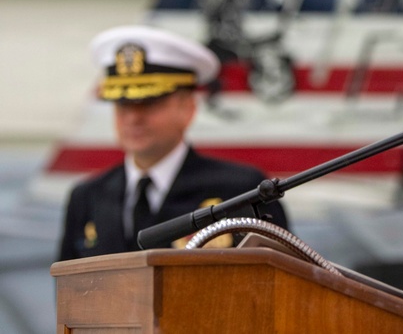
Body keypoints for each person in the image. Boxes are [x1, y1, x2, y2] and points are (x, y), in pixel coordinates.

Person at [58, 25, 289, 261]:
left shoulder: (239, 191)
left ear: (187, 108)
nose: (133, 118)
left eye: (149, 102)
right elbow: (69, 292)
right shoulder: (88, 197)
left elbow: (282, 283)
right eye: (123, 104)